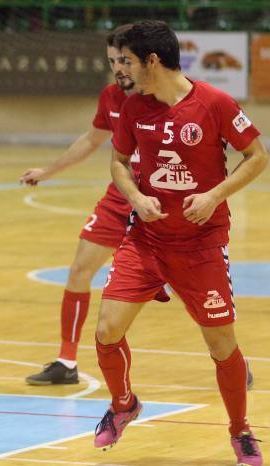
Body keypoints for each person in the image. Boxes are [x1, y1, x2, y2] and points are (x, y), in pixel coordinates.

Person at [93, 21, 267, 466]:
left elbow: (257, 157)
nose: (119, 69)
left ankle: (240, 430)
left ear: (152, 60)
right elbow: (117, 162)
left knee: (221, 347)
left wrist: (214, 196)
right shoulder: (134, 108)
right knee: (107, 331)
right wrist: (135, 196)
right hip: (145, 240)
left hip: (201, 245)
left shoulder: (215, 103)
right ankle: (123, 405)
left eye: (126, 60)